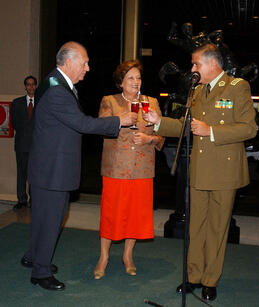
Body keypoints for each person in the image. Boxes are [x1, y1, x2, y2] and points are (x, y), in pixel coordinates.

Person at [143, 43, 257, 301]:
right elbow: (186, 125)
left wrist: (212, 131)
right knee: (195, 228)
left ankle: (210, 280)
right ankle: (193, 277)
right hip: (200, 170)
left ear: (213, 64)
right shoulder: (197, 91)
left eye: (196, 64)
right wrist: (158, 122)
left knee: (217, 228)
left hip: (225, 172)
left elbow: (249, 128)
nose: (192, 69)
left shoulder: (237, 87)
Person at [20, 42, 137, 291]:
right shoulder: (57, 91)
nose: (87, 67)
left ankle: (34, 256)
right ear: (69, 62)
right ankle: (40, 272)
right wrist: (120, 121)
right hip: (53, 170)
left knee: (43, 218)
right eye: (84, 62)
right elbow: (83, 124)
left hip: (47, 166)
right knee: (50, 219)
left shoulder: (55, 82)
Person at [93, 60, 164, 280]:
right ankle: (103, 257)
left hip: (142, 169)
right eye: (131, 78)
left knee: (135, 215)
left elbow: (162, 136)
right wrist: (119, 121)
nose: (136, 82)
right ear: (121, 82)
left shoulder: (150, 102)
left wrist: (149, 138)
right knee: (111, 214)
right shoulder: (109, 101)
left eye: (138, 78)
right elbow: (100, 129)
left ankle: (128, 256)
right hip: (116, 168)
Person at [11, 76, 37, 210]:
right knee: (21, 174)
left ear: (36, 86)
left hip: (36, 146)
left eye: (33, 84)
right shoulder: (17, 103)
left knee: (34, 174)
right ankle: (21, 200)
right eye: (28, 85)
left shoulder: (42, 102)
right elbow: (14, 123)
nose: (31, 87)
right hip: (21, 144)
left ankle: (34, 200)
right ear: (25, 87)